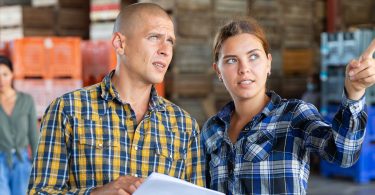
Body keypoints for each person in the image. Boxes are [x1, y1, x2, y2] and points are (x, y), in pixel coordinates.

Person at [28, 3, 205, 194]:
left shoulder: (184, 126)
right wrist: (99, 193)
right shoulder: (68, 110)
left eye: (170, 41)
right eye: (154, 37)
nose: (166, 50)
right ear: (120, 44)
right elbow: (40, 192)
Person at [201, 17, 375, 195]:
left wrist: (354, 91)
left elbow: (343, 154)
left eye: (253, 56)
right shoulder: (211, 130)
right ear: (218, 71)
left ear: (268, 63)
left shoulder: (295, 115)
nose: (244, 68)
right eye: (231, 60)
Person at [0, 55, 39, 195]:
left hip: (22, 161)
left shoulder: (26, 100)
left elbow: (34, 135)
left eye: (4, 74)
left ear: (12, 74)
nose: (1, 79)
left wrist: (38, 165)